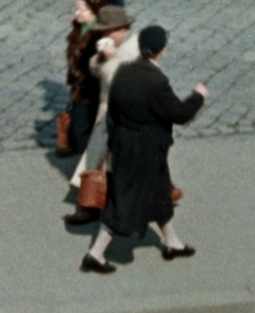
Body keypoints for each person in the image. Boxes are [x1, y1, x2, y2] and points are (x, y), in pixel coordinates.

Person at [82, 25, 207, 273]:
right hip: (145, 151)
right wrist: (198, 96)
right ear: (161, 51)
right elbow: (179, 113)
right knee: (123, 204)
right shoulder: (156, 81)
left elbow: (113, 113)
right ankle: (94, 255)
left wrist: (113, 144)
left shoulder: (124, 72)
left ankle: (171, 242)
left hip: (127, 146)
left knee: (160, 193)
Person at [66, 4, 137, 225]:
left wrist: (112, 58)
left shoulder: (133, 50)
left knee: (106, 161)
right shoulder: (114, 45)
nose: (102, 34)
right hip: (108, 114)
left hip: (123, 116)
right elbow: (95, 71)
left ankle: (94, 207)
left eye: (105, 31)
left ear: (119, 29)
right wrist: (100, 57)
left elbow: (121, 84)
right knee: (96, 159)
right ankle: (91, 204)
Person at [61, 0, 111, 159]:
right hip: (79, 88)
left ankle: (88, 169)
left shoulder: (98, 35)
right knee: (80, 130)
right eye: (76, 8)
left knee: (81, 132)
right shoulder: (80, 28)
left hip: (90, 91)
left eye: (82, 9)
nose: (77, 12)